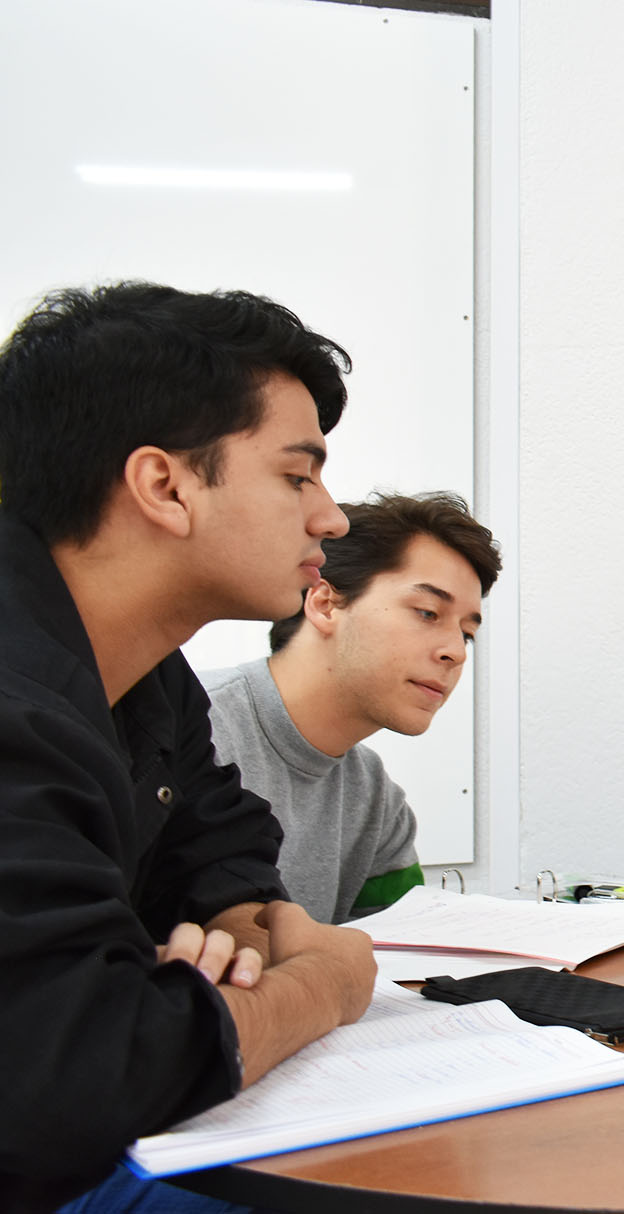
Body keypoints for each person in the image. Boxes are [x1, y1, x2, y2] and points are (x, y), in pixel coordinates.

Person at [0, 282, 377, 1213]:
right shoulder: (15, 697)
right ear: (164, 486)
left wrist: (241, 957)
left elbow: (223, 866)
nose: (330, 519)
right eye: (298, 476)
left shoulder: (150, 679)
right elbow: (80, 1075)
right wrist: (322, 984)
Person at [202, 491, 501, 925]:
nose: (455, 652)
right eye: (427, 612)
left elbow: (409, 952)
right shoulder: (193, 732)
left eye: (467, 633)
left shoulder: (375, 798)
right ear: (325, 604)